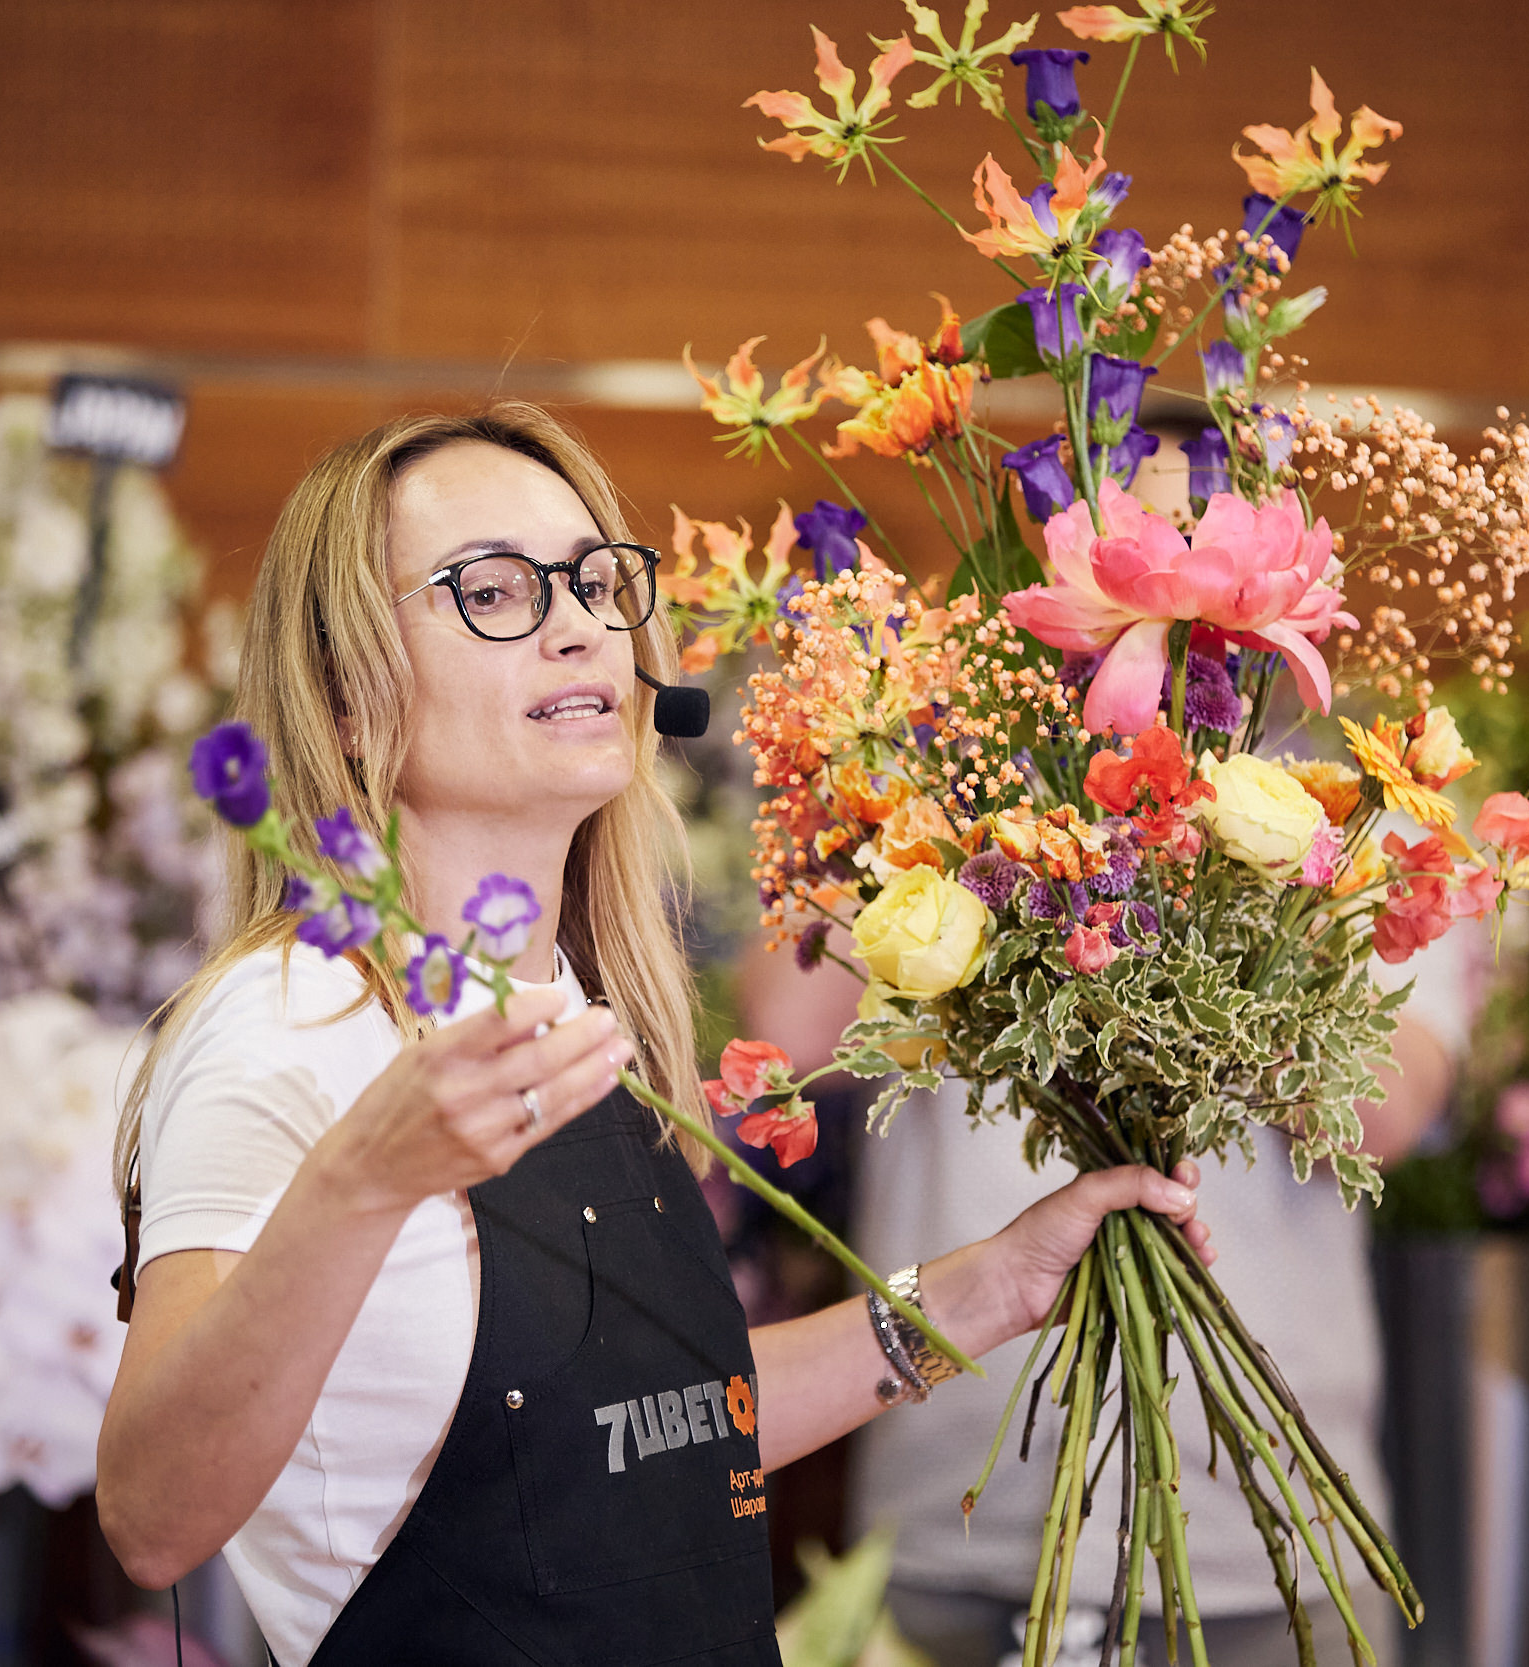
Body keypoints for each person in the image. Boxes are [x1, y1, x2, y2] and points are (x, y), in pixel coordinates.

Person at [92, 407, 1215, 1667]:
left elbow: (651, 1433)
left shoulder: (586, 999)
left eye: (593, 581)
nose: (579, 625)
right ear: (348, 697)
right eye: (494, 590)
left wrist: (981, 1292)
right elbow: (150, 1514)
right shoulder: (288, 1022)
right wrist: (365, 1178)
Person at [846, 940, 1471, 1667]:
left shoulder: (1359, 847)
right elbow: (783, 1017)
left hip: (1262, 1539)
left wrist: (1170, 918)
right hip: (946, 1515)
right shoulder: (907, 835)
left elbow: (1381, 1110)